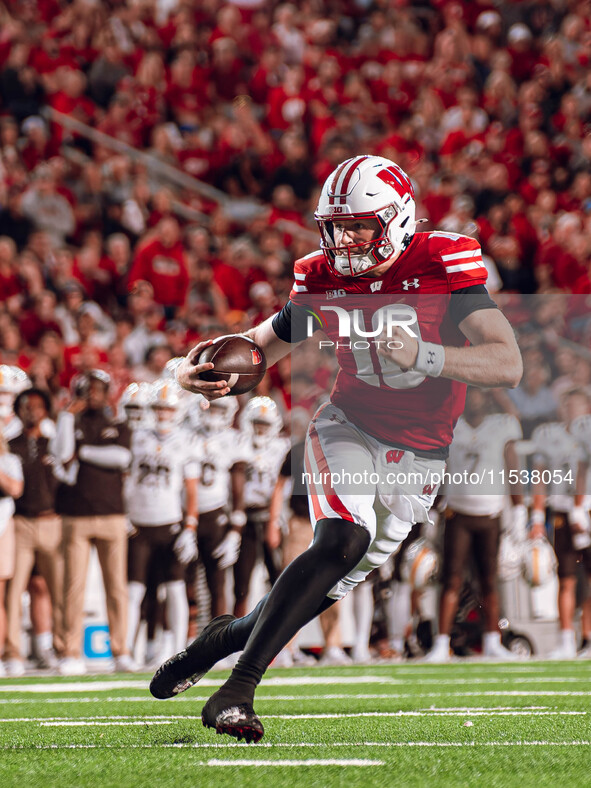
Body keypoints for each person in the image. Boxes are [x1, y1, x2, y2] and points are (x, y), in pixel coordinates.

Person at [150, 154, 523, 742]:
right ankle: (238, 689)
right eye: (335, 227)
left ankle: (225, 638)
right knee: (342, 539)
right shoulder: (322, 275)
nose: (344, 240)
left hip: (421, 454)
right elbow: (257, 348)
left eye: (359, 226)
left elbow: (507, 363)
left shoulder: (441, 261)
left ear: (397, 220)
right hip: (347, 425)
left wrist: (424, 355)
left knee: (323, 582)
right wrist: (182, 371)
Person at [424, 387, 525, 663]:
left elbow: (513, 469)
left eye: (480, 393)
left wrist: (519, 509)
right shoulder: (451, 426)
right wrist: (433, 510)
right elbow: (439, 470)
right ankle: (440, 643)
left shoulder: (502, 425)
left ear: (488, 396)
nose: (474, 399)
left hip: (490, 515)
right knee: (450, 579)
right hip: (457, 514)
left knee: (489, 581)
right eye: (470, 394)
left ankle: (493, 640)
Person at [53, 369, 134, 675]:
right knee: (72, 587)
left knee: (117, 587)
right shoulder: (71, 420)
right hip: (76, 515)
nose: (93, 395)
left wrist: (83, 452)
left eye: (99, 389)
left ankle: (121, 650)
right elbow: (61, 454)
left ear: (108, 392)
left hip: (112, 514)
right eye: (88, 390)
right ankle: (71, 652)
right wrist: (64, 417)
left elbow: (121, 458)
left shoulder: (117, 421)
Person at [126, 379, 199, 661]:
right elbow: (125, 478)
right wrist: (124, 513)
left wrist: (190, 527)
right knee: (134, 591)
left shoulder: (185, 440)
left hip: (170, 523)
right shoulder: (137, 436)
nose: (162, 414)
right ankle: (128, 651)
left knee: (175, 587)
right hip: (139, 524)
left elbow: (190, 489)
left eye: (167, 409)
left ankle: (179, 650)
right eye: (158, 408)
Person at [5, 387, 63, 675]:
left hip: (52, 520)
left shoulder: (54, 444)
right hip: (20, 522)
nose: (33, 411)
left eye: (38, 406)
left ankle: (53, 648)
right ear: (18, 410)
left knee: (51, 588)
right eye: (26, 406)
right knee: (14, 591)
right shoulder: (10, 444)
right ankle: (12, 651)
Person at [529, 389, 591, 658]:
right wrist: (537, 517)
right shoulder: (548, 436)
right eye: (569, 405)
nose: (573, 410)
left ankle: (588, 638)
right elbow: (540, 477)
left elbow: (582, 470)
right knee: (565, 578)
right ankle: (566, 639)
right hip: (562, 512)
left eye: (578, 405)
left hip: (588, 510)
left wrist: (581, 509)